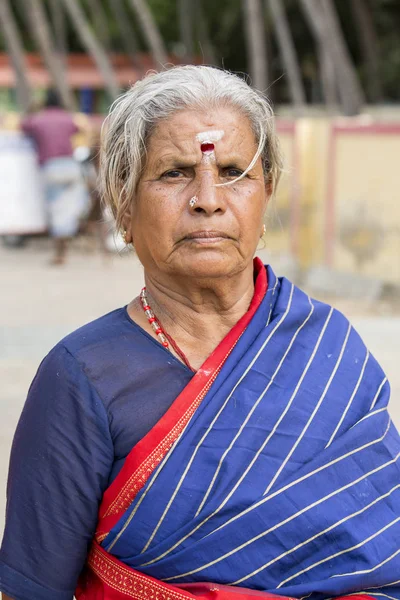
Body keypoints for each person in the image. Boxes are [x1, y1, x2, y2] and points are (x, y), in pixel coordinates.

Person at [1, 66, 399, 600]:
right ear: (123, 203)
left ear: (266, 198)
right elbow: (32, 590)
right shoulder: (82, 377)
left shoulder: (326, 345)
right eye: (174, 173)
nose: (208, 198)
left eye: (234, 171)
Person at [21, 90, 88, 265]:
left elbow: (23, 126)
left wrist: (32, 109)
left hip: (51, 168)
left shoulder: (38, 119)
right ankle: (64, 248)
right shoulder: (67, 118)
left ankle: (59, 254)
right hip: (70, 167)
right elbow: (83, 129)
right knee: (70, 207)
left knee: (56, 209)